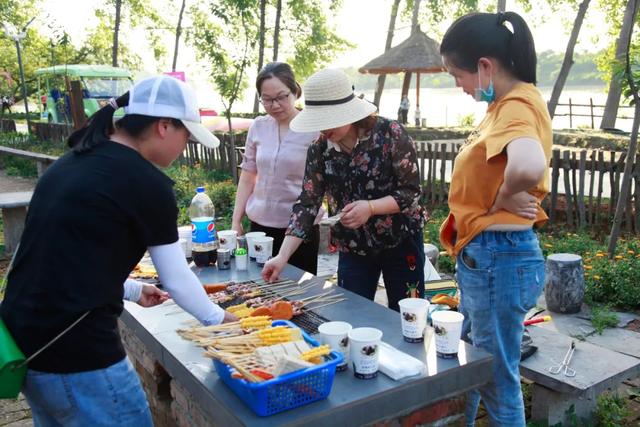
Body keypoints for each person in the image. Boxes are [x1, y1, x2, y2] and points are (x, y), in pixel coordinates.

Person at [0, 75, 237, 427]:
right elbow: (176, 277)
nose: (185, 146)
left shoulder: (72, 162)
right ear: (164, 126)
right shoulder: (146, 183)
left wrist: (132, 289)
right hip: (80, 357)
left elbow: (58, 258)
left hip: (26, 347)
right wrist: (221, 321)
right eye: (185, 135)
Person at [438, 11, 551, 426]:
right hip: (489, 259)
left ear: (485, 66)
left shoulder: (516, 105)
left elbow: (528, 164)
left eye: (458, 75)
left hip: (498, 259)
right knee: (469, 361)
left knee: (496, 378)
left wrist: (505, 192)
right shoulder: (507, 105)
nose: (459, 86)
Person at [262, 68, 426, 312]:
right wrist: (282, 256)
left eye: (329, 120)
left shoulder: (391, 134)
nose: (323, 129)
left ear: (349, 112)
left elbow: (411, 192)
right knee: (351, 314)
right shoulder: (319, 149)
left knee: (407, 315)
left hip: (401, 240)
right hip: (354, 247)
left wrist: (370, 208)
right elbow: (308, 204)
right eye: (318, 122)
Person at [231, 62, 322, 274]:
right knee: (259, 291)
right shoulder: (258, 126)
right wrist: (236, 220)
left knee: (299, 297)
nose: (275, 105)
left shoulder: (313, 129)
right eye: (267, 99)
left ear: (295, 92)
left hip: (300, 229)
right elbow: (247, 177)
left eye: (282, 96)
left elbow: (319, 186)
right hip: (260, 228)